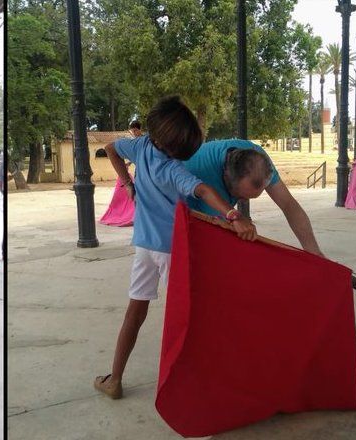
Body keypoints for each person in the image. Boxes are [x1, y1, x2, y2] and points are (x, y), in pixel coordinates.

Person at [93, 96, 257, 400]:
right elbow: (204, 190)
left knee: (135, 312)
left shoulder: (139, 147)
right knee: (188, 317)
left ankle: (114, 379)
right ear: (174, 146)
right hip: (173, 251)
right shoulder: (173, 170)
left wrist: (127, 183)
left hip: (144, 247)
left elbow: (111, 148)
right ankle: (201, 382)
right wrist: (234, 215)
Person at [183, 139, 324, 255]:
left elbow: (288, 204)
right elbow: (210, 237)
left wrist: (314, 253)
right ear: (225, 177)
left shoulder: (259, 161)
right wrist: (235, 217)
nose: (243, 201)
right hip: (179, 213)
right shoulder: (204, 178)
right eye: (241, 196)